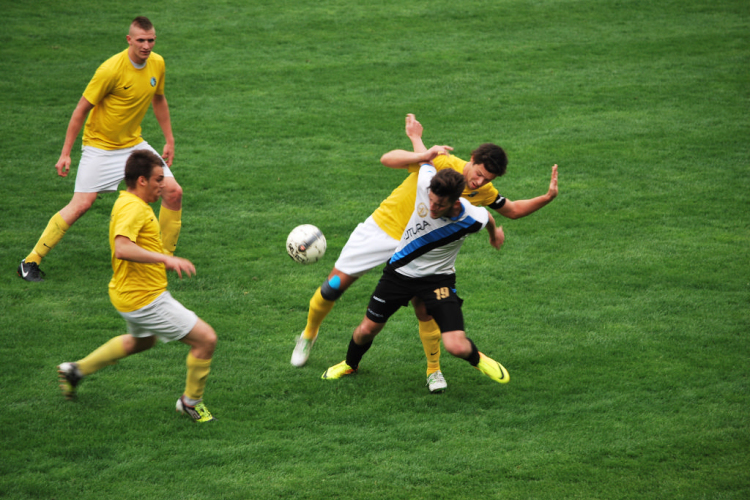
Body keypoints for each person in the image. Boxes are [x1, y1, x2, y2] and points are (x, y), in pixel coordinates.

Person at [292, 113, 558, 394]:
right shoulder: (442, 164)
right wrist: (420, 149)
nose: (479, 182)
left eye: (487, 178)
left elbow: (511, 210)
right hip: (384, 229)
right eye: (479, 173)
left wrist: (547, 197)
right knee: (333, 287)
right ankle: (309, 334)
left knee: (424, 308)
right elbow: (387, 159)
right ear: (472, 159)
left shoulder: (483, 192)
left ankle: (434, 369)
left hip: (421, 250)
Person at [18, 16, 183, 282]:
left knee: (174, 192)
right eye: (141, 40)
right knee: (81, 204)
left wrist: (169, 139)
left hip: (133, 145)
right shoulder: (110, 70)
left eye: (151, 40)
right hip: (100, 148)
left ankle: (163, 259)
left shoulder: (158, 63)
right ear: (129, 40)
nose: (146, 45)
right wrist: (65, 153)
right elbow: (81, 110)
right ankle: (30, 261)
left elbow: (159, 99)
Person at [57, 150, 217, 423]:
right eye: (158, 179)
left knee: (141, 341)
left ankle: (76, 370)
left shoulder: (127, 202)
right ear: (142, 180)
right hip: (146, 299)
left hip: (127, 292)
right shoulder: (133, 208)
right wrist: (166, 258)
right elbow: (122, 248)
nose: (162, 185)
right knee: (206, 340)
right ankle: (190, 402)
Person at [321, 165, 510, 387]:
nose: (432, 207)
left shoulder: (471, 217)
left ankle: (476, 360)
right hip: (399, 273)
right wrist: (423, 145)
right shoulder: (425, 183)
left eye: (439, 205)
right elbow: (425, 159)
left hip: (438, 279)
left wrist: (494, 234)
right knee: (366, 330)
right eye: (431, 200)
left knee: (456, 346)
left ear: (455, 203)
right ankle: (350, 364)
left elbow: (487, 218)